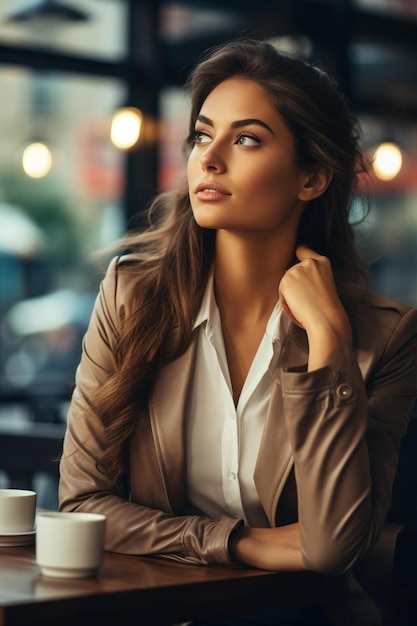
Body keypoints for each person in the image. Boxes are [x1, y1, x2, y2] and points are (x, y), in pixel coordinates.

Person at [59, 39, 417, 625]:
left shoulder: (386, 337)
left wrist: (327, 342)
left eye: (246, 138)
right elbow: (81, 506)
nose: (210, 158)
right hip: (157, 610)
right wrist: (242, 542)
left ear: (312, 178)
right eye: (203, 135)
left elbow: (330, 546)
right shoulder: (130, 296)